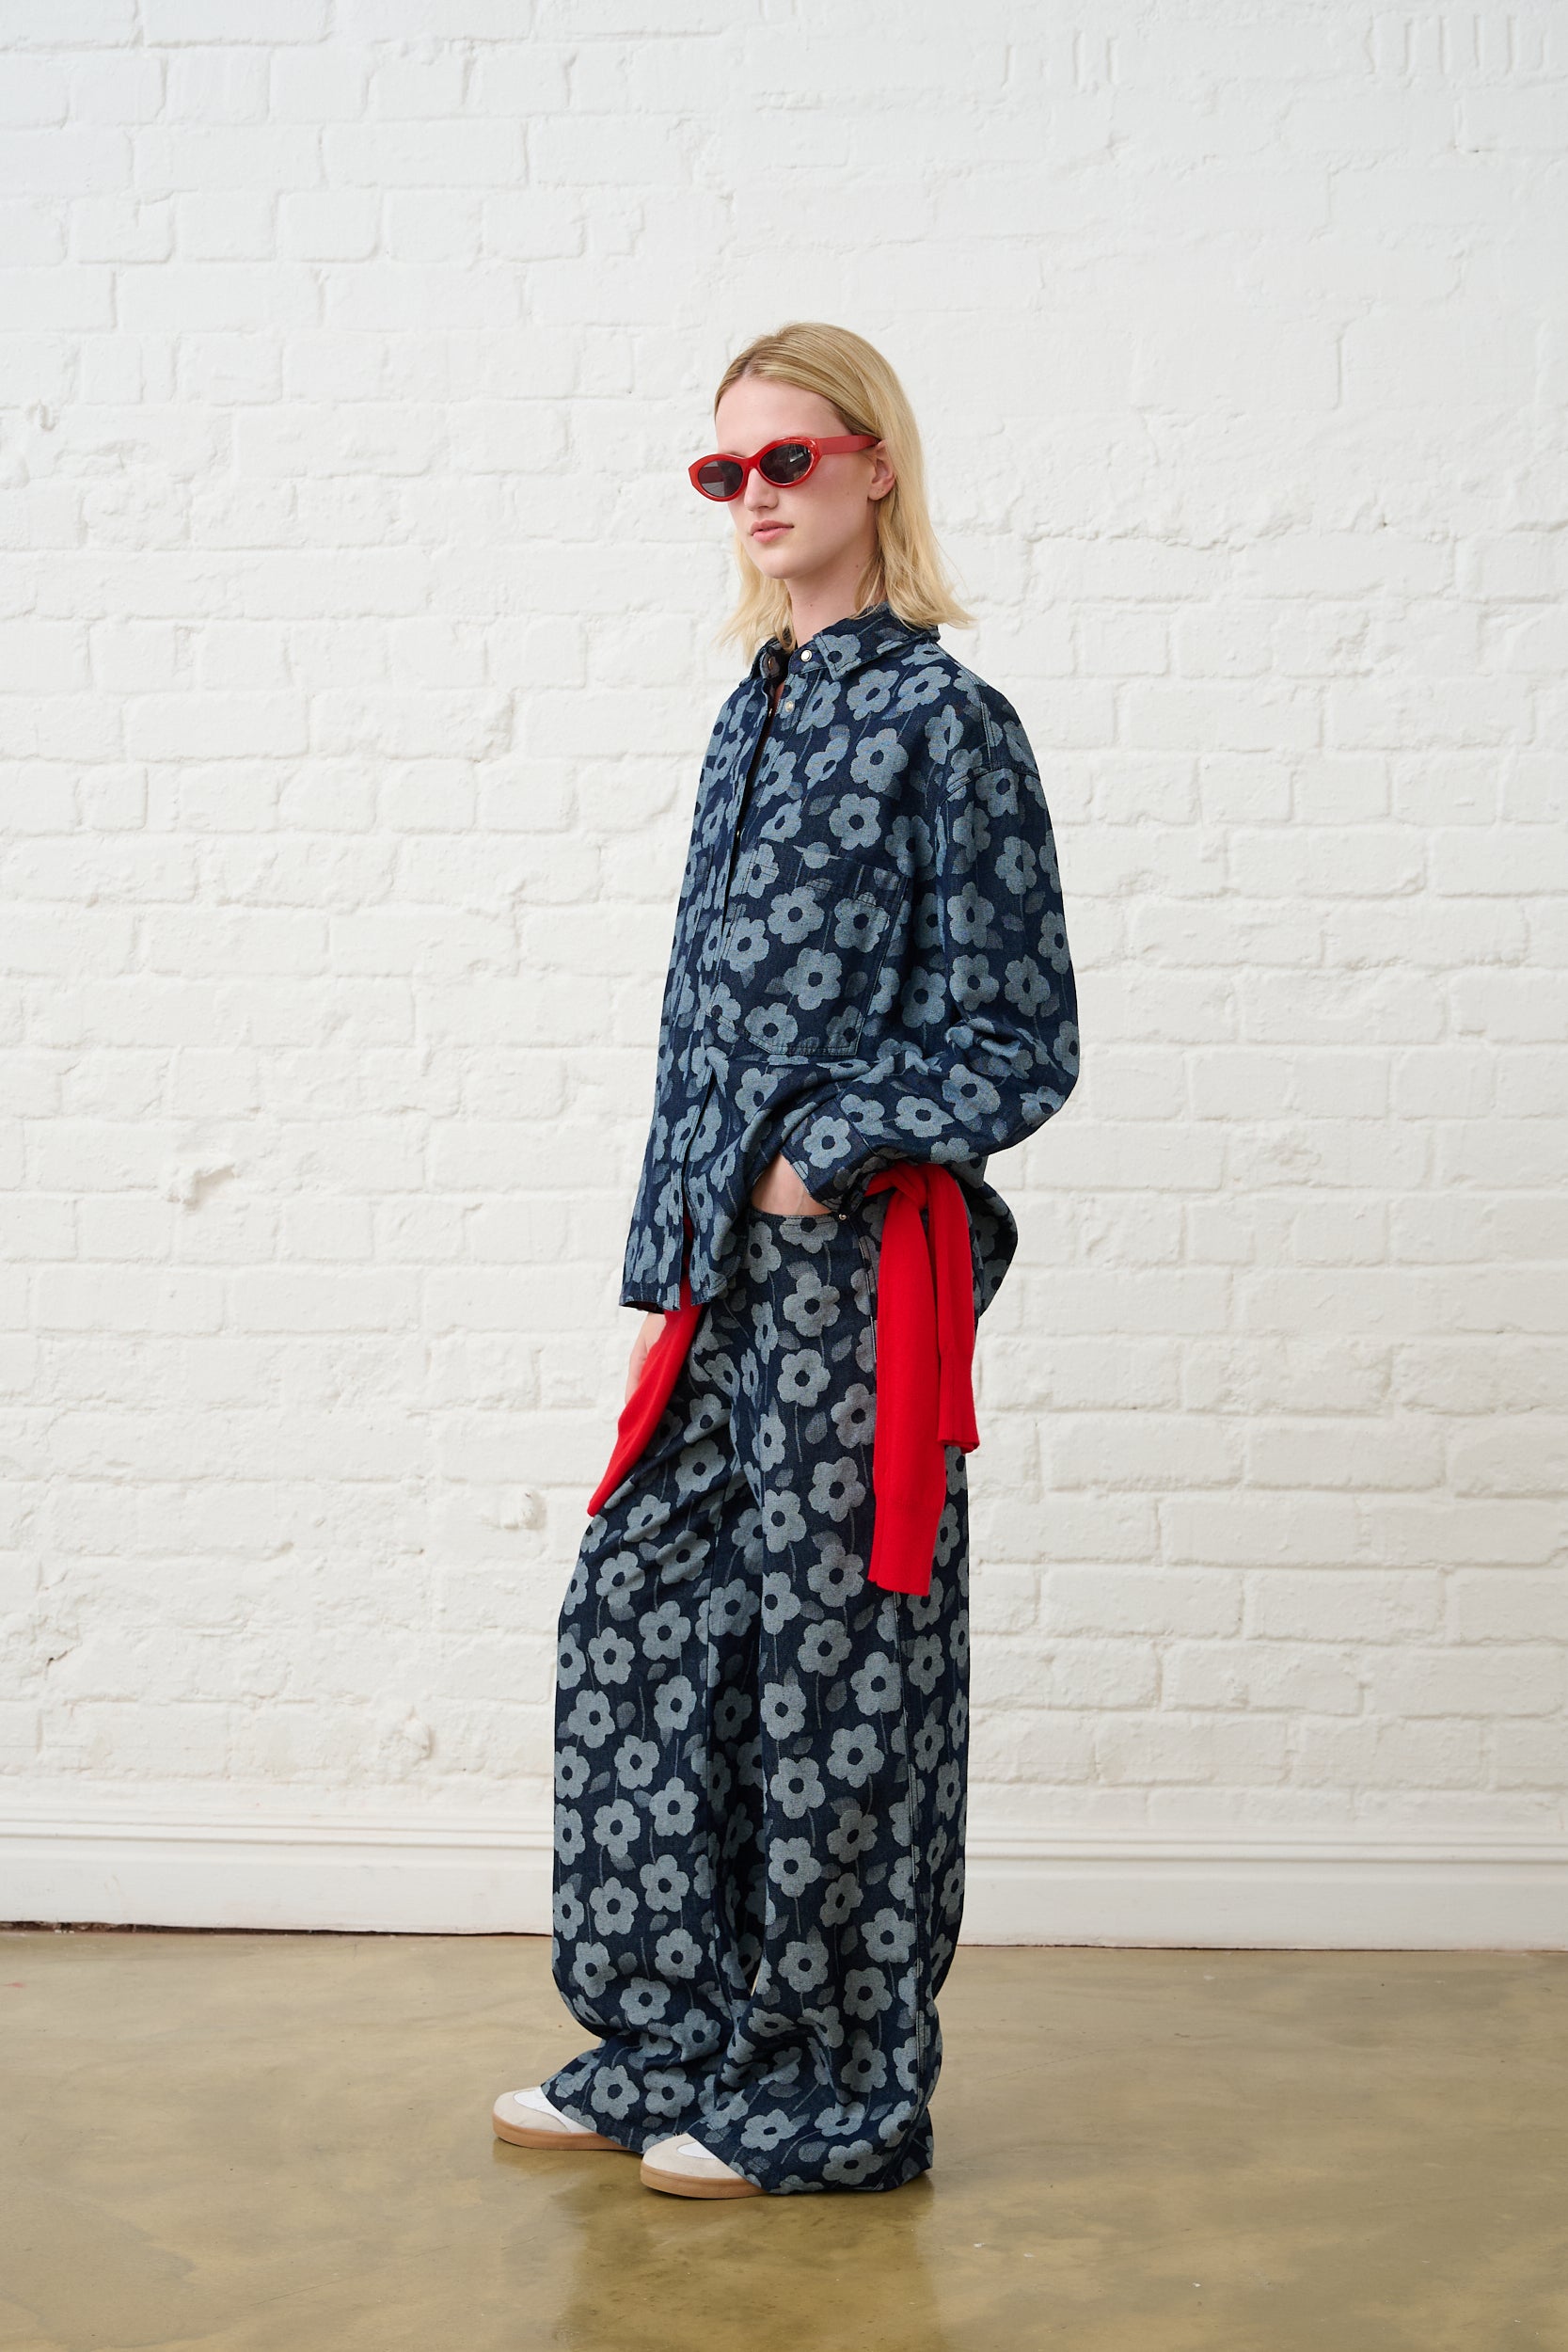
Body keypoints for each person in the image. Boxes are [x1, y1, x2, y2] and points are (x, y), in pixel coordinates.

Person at [492, 321, 1080, 2199]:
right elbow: (697, 1036)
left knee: (839, 1673)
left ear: (874, 466)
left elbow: (1021, 1037)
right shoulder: (749, 715)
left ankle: (836, 2092)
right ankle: (672, 2038)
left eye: (787, 461)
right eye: (722, 471)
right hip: (716, 1283)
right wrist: (678, 1250)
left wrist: (826, 1160)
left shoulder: (944, 722)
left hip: (855, 1282)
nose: (753, 495)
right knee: (640, 1626)